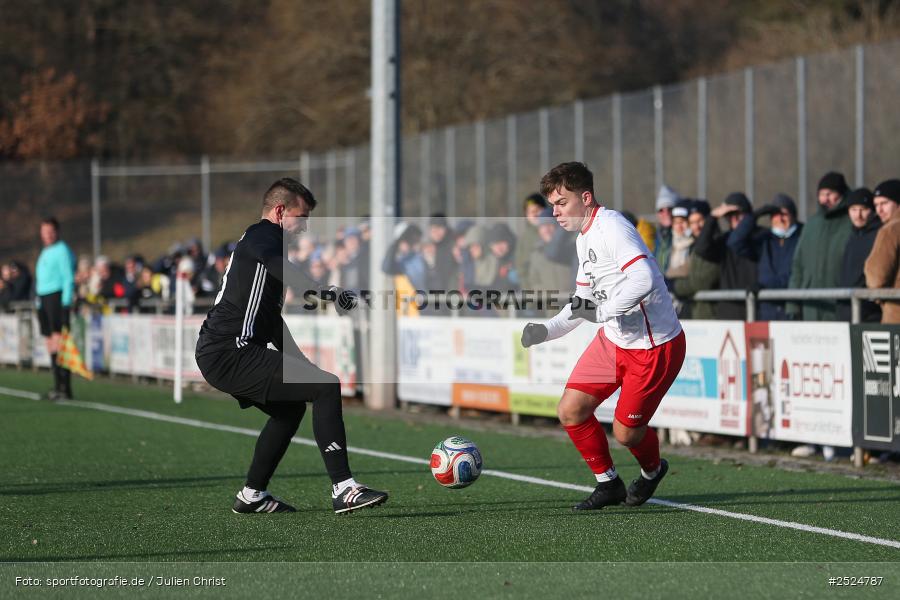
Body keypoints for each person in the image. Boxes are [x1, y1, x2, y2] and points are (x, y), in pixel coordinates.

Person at [195, 178, 387, 514]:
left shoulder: (265, 246)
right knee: (327, 387)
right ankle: (344, 488)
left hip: (223, 351)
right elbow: (279, 267)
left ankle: (252, 495)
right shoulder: (263, 236)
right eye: (303, 217)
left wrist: (303, 365)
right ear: (280, 211)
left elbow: (270, 322)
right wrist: (324, 291)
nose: (305, 226)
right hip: (230, 351)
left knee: (293, 407)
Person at [520, 162, 685, 511]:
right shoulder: (584, 238)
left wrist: (603, 312)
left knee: (627, 434)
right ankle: (608, 483)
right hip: (614, 342)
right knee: (571, 410)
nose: (555, 211)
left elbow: (644, 280)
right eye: (552, 204)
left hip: (653, 347)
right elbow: (583, 304)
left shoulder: (612, 227)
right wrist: (546, 330)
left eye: (561, 202)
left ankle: (653, 470)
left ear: (586, 197)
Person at [787, 171, 852, 321]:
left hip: (840, 306)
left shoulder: (850, 222)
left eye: (830, 193)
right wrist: (792, 304)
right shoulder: (811, 225)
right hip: (811, 307)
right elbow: (798, 265)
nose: (825, 199)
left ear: (842, 194)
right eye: (822, 194)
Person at [728, 194, 803, 320]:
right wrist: (754, 215)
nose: (780, 219)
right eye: (775, 215)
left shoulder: (802, 239)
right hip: (767, 311)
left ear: (793, 216)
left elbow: (794, 276)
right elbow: (735, 242)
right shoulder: (765, 240)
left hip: (792, 310)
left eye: (784, 214)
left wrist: (765, 286)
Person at [695, 193, 762, 320]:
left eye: (738, 214)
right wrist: (712, 218)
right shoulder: (724, 241)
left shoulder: (761, 236)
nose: (734, 219)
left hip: (756, 309)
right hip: (729, 313)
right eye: (729, 216)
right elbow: (701, 249)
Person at [35, 217, 76, 400]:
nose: (48, 235)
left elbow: (68, 277)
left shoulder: (62, 250)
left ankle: (65, 387)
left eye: (51, 231)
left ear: (57, 232)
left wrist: (66, 303)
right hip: (43, 299)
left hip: (56, 297)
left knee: (60, 341)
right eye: (44, 232)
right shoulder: (45, 251)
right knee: (50, 342)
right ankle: (56, 385)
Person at [668, 200, 720, 319]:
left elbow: (699, 281)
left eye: (700, 221)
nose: (696, 226)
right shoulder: (670, 246)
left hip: (713, 314)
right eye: (692, 222)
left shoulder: (714, 244)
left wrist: (674, 285)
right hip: (697, 312)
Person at [838, 188, 881, 322]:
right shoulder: (849, 236)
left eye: (863, 209)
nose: (858, 215)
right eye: (853, 210)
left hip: (869, 313)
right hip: (846, 309)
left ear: (872, 211)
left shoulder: (879, 235)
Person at [865, 179, 900, 324]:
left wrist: (879, 295)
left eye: (884, 203)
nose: (879, 210)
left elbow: (876, 277)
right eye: (876, 205)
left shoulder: (890, 230)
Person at [653, 185, 679, 271]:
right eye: (661, 210)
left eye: (670, 209)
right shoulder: (655, 237)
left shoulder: (681, 235)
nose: (666, 213)